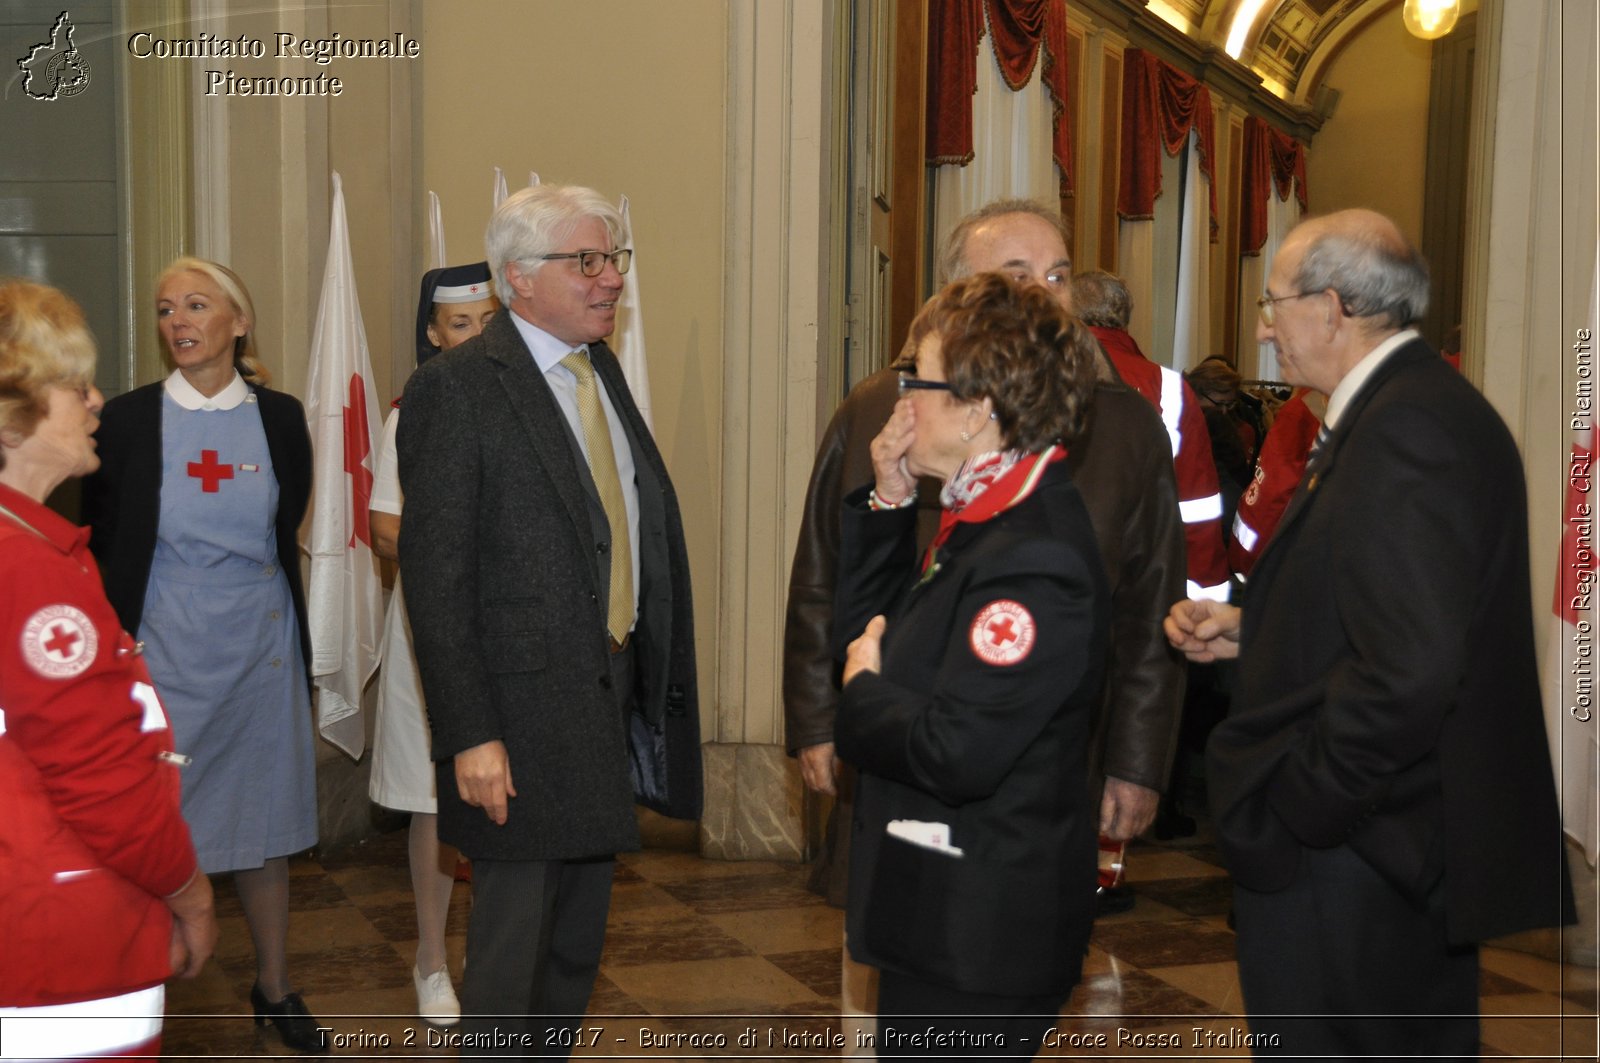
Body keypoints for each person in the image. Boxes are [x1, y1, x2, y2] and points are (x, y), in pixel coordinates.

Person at [1164, 209, 1574, 1058]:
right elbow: (1382, 607)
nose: (1263, 327)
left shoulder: (1407, 428)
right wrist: (1253, 628)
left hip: (1363, 853)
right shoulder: (1398, 408)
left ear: (1337, 306)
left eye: (1275, 303)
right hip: (1372, 843)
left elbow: (1411, 669)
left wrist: (1303, 806)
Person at [784, 199, 1184, 965]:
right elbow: (822, 575)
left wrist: (1138, 758)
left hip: (1013, 779)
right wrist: (817, 714)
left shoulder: (1124, 427)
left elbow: (1148, 606)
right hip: (896, 757)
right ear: (959, 298)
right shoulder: (885, 405)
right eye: (1019, 275)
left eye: (1060, 275)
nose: (1046, 293)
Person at [397, 184, 701, 1057]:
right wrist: (471, 736)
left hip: (601, 707)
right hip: (516, 729)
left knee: (571, 953)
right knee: (507, 966)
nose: (611, 280)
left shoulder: (595, 368)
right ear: (519, 278)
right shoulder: (457, 389)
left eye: (615, 260)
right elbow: (436, 578)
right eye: (589, 261)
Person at [833, 272, 1107, 1051]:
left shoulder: (1034, 554)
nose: (901, 398)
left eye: (916, 379)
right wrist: (888, 502)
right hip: (942, 911)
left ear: (981, 405)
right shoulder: (985, 514)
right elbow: (874, 638)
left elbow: (958, 749)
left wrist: (860, 695)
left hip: (980, 931)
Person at [82, 258, 325, 1054]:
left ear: (238, 321)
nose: (177, 320)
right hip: (163, 644)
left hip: (259, 643)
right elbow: (106, 539)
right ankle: (134, 983)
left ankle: (276, 984)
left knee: (261, 823)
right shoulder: (123, 420)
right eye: (163, 309)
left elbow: (285, 520)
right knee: (154, 822)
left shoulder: (282, 417)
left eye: (195, 304)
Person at [0, 279, 216, 1059]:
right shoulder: (25, 566)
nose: (96, 399)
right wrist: (189, 890)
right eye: (72, 383)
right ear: (13, 412)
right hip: (56, 938)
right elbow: (99, 776)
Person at [367, 262, 499, 1026]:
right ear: (432, 332)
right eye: (460, 324)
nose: (475, 337)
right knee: (434, 799)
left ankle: (498, 958)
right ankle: (430, 959)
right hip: (432, 625)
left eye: (488, 321)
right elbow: (384, 527)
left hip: (514, 629)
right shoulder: (408, 411)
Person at [1071, 269, 1230, 602]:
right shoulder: (1170, 388)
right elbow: (1196, 504)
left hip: (1058, 574)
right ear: (1125, 320)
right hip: (1143, 579)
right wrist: (1205, 600)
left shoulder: (1037, 376)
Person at [1226, 386, 1323, 582]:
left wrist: (1244, 562)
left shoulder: (1300, 412)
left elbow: (1273, 494)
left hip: (1274, 566)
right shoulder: (1372, 402)